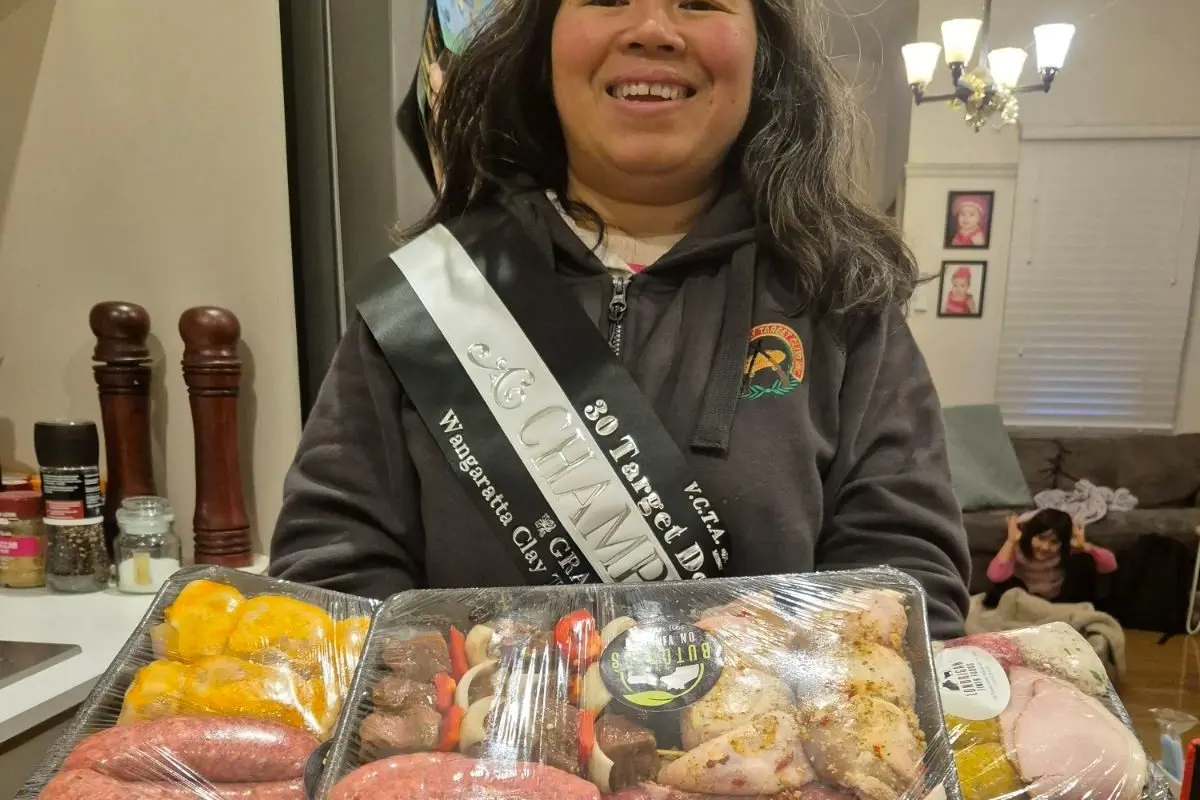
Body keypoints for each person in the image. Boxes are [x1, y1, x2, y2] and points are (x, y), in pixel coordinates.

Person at [269, 0, 972, 638]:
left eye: (699, 2)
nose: (653, 29)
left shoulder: (841, 303)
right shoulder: (434, 294)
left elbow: (905, 592)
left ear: (764, 53)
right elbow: (330, 571)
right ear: (544, 42)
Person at [984, 509, 1117, 608]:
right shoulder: (1017, 547)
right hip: (1025, 600)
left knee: (1084, 561)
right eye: (1040, 538)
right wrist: (1010, 541)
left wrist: (1085, 547)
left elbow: (1110, 565)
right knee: (1004, 586)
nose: (1045, 547)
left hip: (1057, 599)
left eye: (1054, 542)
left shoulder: (1067, 549)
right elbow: (995, 576)